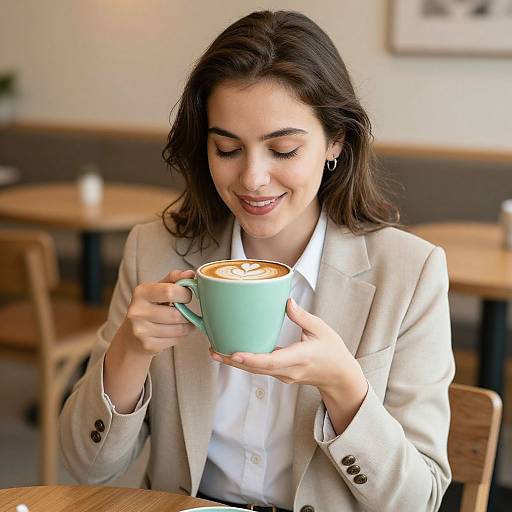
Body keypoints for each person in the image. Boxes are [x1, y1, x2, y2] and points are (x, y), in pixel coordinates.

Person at [59, 10, 454, 512]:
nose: (252, 179)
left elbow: (418, 502)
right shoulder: (154, 252)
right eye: (228, 148)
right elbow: (84, 466)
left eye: (283, 150)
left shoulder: (409, 274)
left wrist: (345, 388)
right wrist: (128, 354)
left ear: (336, 142)